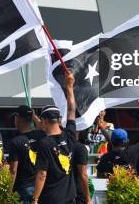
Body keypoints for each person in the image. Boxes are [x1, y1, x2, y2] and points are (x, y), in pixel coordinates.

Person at [32, 69, 77, 204]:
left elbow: (42, 174)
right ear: (58, 120)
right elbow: (71, 110)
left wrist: (35, 199)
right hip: (70, 197)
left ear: (44, 121)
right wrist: (70, 86)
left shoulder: (44, 143)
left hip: (51, 198)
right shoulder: (69, 135)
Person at [8, 105, 46, 204]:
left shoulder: (15, 142)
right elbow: (42, 127)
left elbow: (13, 171)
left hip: (23, 188)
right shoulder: (41, 136)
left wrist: (8, 193)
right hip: (39, 186)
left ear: (17, 118)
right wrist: (34, 117)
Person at [96, 108, 139, 178]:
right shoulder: (132, 151)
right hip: (131, 188)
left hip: (113, 188)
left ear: (112, 141)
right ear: (126, 141)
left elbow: (99, 175)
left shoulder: (105, 158)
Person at [73, 130, 91, 204]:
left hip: (61, 192)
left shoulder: (55, 144)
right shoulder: (80, 148)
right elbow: (83, 175)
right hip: (77, 192)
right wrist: (88, 199)